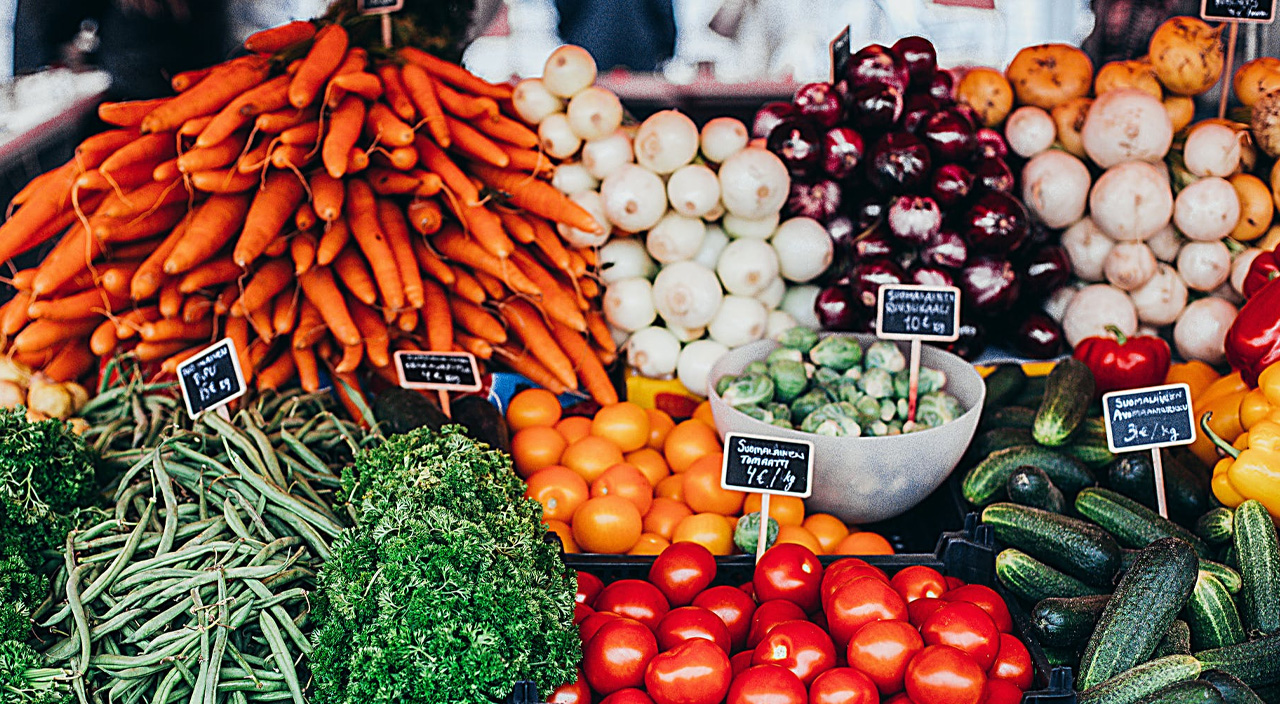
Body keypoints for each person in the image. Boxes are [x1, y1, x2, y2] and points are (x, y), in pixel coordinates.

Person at [553, 0, 676, 72]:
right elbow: (663, 9)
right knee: (638, 114)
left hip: (588, 52)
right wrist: (666, 48)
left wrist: (567, 34)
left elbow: (565, 6)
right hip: (641, 53)